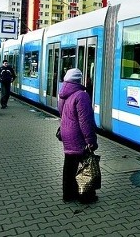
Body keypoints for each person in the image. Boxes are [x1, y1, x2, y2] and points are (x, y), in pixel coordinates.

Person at [58, 68, 99, 204]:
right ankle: (86, 195)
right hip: (77, 134)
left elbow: (61, 113)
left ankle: (68, 195)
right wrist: (90, 140)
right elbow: (85, 121)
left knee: (69, 165)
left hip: (66, 132)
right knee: (86, 166)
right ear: (78, 80)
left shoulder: (63, 94)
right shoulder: (81, 95)